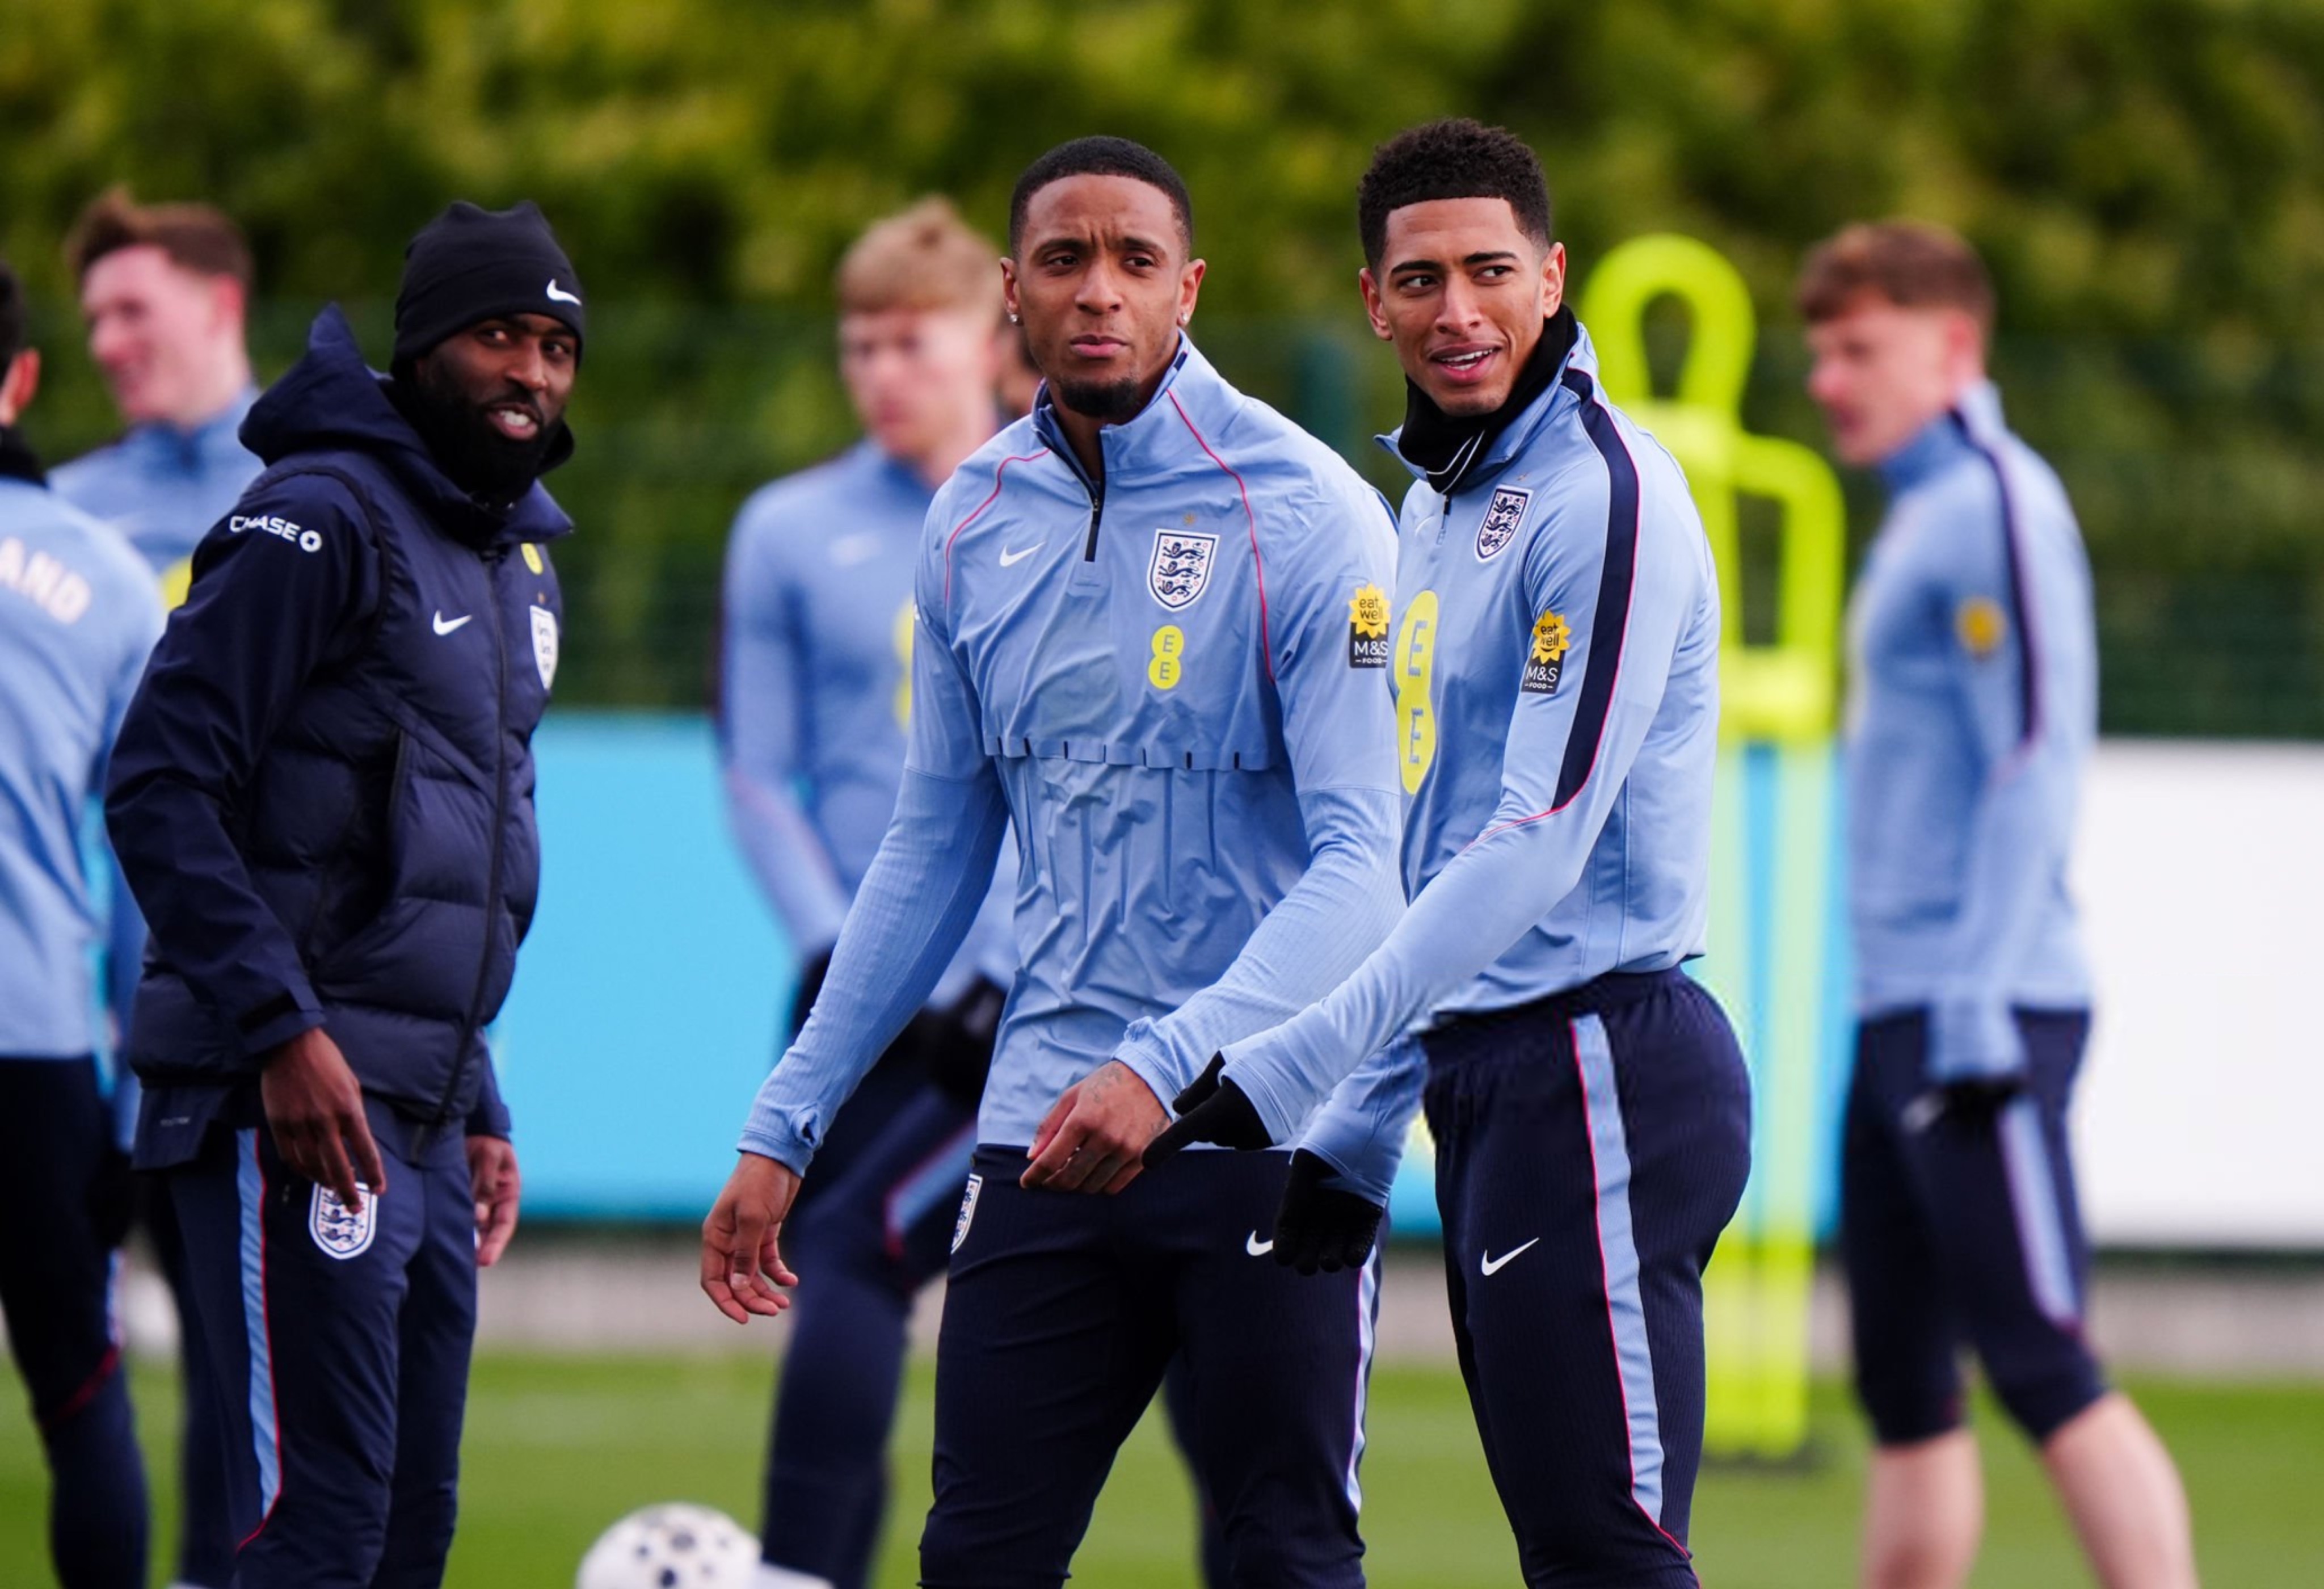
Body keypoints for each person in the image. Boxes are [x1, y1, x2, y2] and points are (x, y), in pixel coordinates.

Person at [702, 136, 1416, 1589]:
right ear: (1009, 294)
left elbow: (1364, 867)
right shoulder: (968, 520)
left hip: (1259, 1133)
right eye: (1063, 259)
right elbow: (930, 846)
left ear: (1186, 289)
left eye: (1135, 261)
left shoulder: (1308, 510)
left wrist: (1163, 1066)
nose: (1099, 291)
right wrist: (786, 1120)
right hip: (1041, 1132)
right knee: (975, 1556)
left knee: (1282, 1557)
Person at [1154, 119, 1753, 1588]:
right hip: (1490, 1078)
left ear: (1552, 277)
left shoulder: (1604, 494)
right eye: (1419, 279)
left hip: (1601, 1064)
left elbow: (1538, 840)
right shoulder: (1436, 502)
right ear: (1374, 301)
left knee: (1605, 1553)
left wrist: (1305, 1064)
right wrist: (1364, 1122)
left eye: (1491, 270)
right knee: (1571, 1551)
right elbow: (1430, 847)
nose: (1458, 309)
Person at [724, 196, 1233, 1589]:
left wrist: (999, 971)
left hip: (1029, 1007)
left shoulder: (1083, 507)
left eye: (913, 341)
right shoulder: (787, 529)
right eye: (859, 345)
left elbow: (1098, 777)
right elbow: (756, 774)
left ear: (989, 336)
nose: (882, 371)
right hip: (866, 985)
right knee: (844, 1262)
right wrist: (838, 951)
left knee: (866, 1249)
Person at [104, 200, 583, 1588]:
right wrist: (278, 1032)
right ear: (424, 346)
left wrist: (474, 1099)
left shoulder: (516, 557)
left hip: (417, 1109)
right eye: (499, 335)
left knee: (405, 1537)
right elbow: (159, 780)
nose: (531, 372)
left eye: (556, 346)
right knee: (310, 1535)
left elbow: (438, 858)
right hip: (290, 1100)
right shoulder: (316, 518)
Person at [1796, 221, 2197, 1589]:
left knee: (2038, 1355)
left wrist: (1969, 997)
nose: (1827, 379)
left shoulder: (1992, 504)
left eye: (1858, 349)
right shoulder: (1923, 510)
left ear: (1952, 345)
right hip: (1896, 1008)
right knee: (1904, 1390)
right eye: (1820, 352)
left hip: (1980, 1010)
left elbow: (2038, 748)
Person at [50, 186, 266, 1589]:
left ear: (218, 301)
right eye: (90, 319)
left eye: (132, 308)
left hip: (244, 1019)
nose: (107, 341)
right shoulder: (65, 517)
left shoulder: (310, 486)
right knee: (77, 1363)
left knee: (245, 1371)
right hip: (74, 1023)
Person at [0, 256, 165, 1589]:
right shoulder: (109, 578)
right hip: (38, 1045)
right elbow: (149, 863)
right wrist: (131, 1108)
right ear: (22, 377)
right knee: (80, 1390)